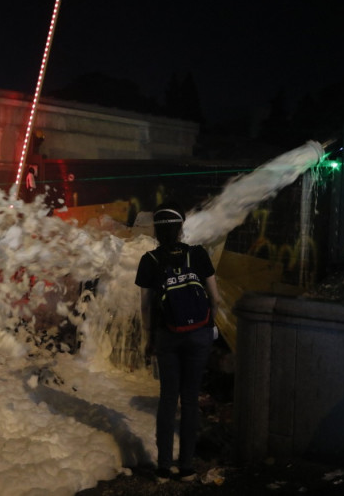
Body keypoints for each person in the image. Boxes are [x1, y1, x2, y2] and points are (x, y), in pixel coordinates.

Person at [134, 202, 222, 483]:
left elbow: (146, 306)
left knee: (168, 398)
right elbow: (215, 298)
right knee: (191, 398)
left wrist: (148, 338)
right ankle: (186, 467)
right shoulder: (197, 255)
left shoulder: (149, 260)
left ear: (157, 232)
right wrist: (209, 326)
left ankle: (163, 466)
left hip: (167, 335)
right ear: (181, 227)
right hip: (199, 335)